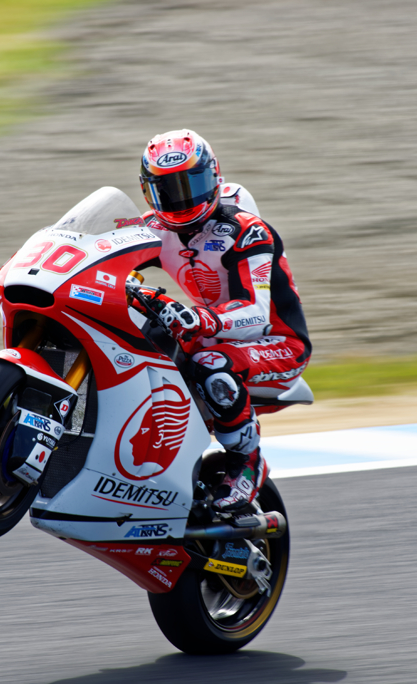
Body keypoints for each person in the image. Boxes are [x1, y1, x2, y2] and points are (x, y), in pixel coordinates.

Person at [133, 129, 312, 512]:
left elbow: (257, 314)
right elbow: (95, 251)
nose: (181, 199)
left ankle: (246, 462)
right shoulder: (151, 228)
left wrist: (200, 319)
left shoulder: (247, 231)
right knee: (144, 350)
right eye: (168, 189)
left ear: (213, 175)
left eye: (190, 183)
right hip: (215, 334)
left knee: (209, 365)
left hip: (278, 343)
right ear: (150, 192)